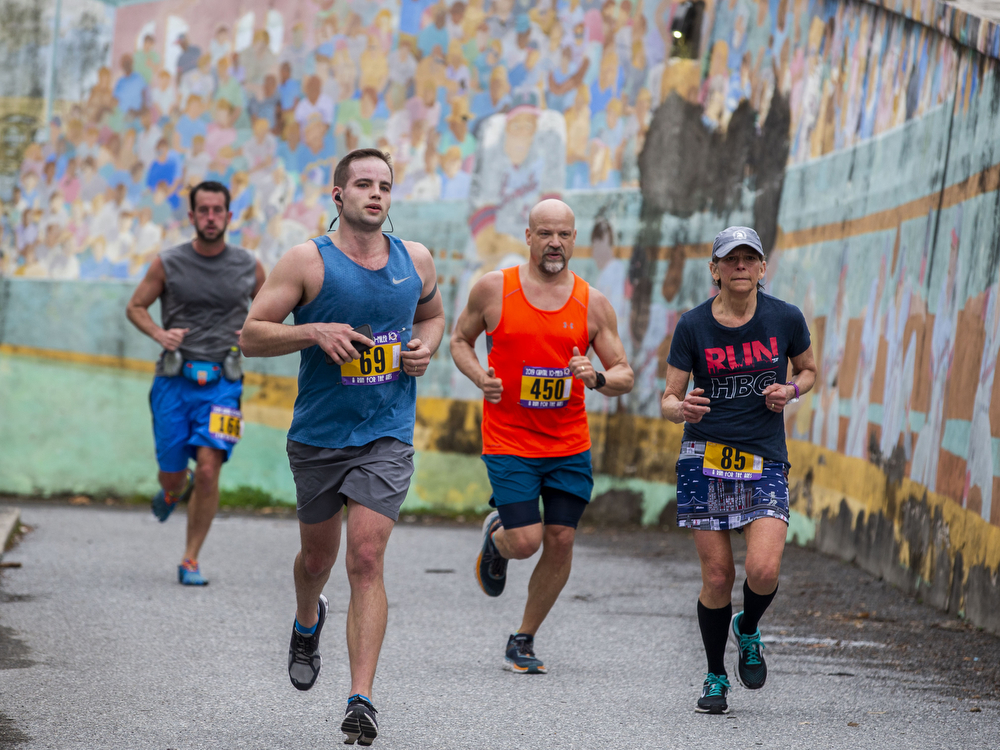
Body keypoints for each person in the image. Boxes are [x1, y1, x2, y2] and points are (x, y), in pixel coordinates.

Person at [238, 148, 444, 746]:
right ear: (338, 195)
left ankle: (361, 699)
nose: (375, 194)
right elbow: (251, 335)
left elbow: (431, 317)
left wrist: (424, 348)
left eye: (383, 185)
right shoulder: (307, 260)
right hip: (320, 437)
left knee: (367, 558)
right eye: (362, 184)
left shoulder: (416, 260)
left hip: (387, 432)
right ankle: (308, 619)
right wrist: (313, 330)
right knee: (317, 562)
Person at [450, 198, 633, 674]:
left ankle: (524, 638)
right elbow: (459, 340)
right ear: (528, 237)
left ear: (575, 240)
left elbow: (624, 375)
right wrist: (479, 377)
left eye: (565, 235)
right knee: (527, 541)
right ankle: (499, 539)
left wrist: (594, 378)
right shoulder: (494, 290)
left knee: (562, 539)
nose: (555, 243)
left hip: (568, 443)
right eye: (546, 233)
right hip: (509, 438)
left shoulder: (592, 303)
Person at [660, 226, 817, 714]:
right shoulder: (693, 326)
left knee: (765, 569)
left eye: (750, 258)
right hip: (704, 458)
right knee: (717, 575)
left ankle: (747, 628)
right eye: (731, 260)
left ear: (763, 268)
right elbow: (667, 398)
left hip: (765, 457)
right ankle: (714, 677)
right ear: (716, 270)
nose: (741, 266)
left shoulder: (785, 318)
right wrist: (681, 408)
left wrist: (790, 390)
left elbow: (810, 370)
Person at [125, 181, 266, 585]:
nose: (210, 217)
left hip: (224, 383)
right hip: (173, 381)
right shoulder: (168, 263)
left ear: (228, 216)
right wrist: (158, 334)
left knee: (208, 470)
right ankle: (172, 490)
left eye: (217, 210)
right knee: (173, 474)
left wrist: (255, 331)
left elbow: (274, 306)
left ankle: (190, 558)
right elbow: (135, 306)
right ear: (191, 216)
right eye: (202, 210)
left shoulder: (248, 265)